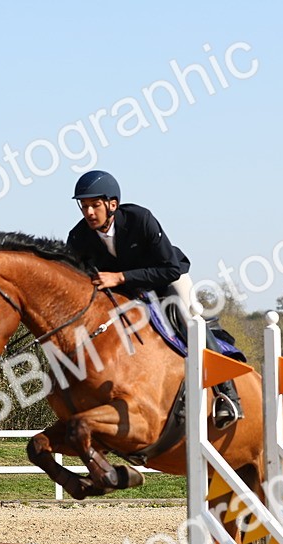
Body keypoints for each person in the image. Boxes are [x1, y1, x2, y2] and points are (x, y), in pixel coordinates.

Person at [65, 170, 243, 429]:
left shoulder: (140, 219)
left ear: (112, 204)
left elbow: (169, 268)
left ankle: (228, 395)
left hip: (166, 279)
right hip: (125, 293)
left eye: (95, 205)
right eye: (84, 206)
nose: (89, 212)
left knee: (189, 318)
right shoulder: (78, 236)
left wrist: (121, 277)